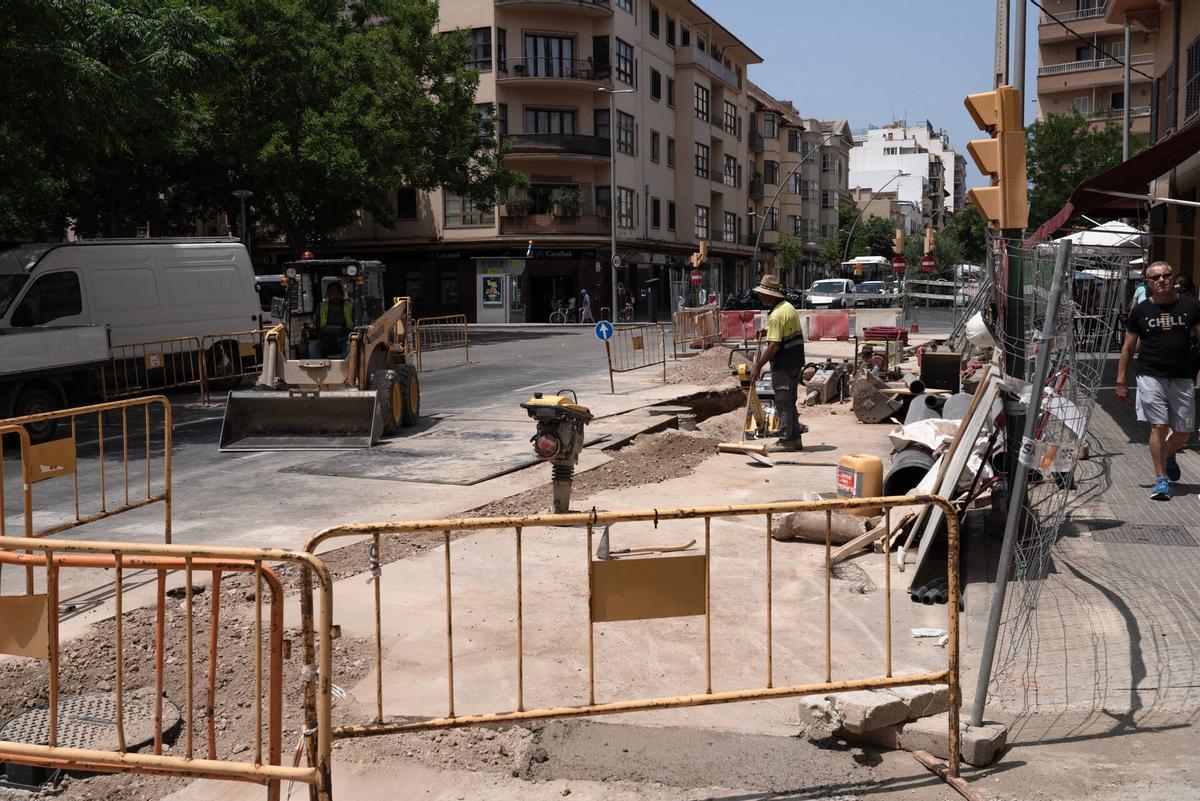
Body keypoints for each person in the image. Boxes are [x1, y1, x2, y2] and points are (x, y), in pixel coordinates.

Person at [1116, 260, 1200, 500]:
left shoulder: (1191, 307)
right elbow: (1128, 348)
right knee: (1159, 426)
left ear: (1173, 278)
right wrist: (1121, 381)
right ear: (1147, 283)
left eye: (1166, 275)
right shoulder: (1141, 311)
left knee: (1184, 431)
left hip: (1183, 376)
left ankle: (1169, 453)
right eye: (1155, 278)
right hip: (1150, 374)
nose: (1161, 280)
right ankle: (1161, 479)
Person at [749, 274, 807, 452]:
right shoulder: (788, 308)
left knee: (782, 402)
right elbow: (784, 332)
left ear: (770, 295)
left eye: (762, 294)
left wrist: (758, 366)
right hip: (796, 361)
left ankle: (785, 440)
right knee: (790, 401)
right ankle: (795, 438)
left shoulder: (776, 315)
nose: (760, 297)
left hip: (784, 363)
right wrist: (767, 332)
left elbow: (774, 346)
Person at [307, 281, 354, 358]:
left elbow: (356, 324)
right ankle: (315, 368)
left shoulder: (350, 306)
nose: (335, 296)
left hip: (345, 339)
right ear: (328, 295)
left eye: (337, 293)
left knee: (351, 346)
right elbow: (314, 322)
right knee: (313, 345)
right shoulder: (322, 307)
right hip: (326, 340)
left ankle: (343, 367)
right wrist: (311, 325)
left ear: (342, 294)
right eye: (332, 293)